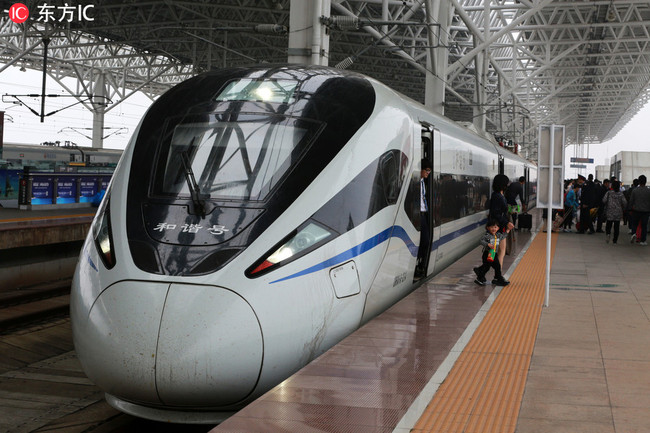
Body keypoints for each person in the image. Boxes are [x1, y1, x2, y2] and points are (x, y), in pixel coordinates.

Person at [473, 218, 511, 286]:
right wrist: (487, 244)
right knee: (487, 267)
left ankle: (496, 278)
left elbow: (503, 236)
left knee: (497, 266)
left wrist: (508, 230)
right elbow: (481, 241)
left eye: (495, 227)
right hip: (487, 254)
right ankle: (480, 278)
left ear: (498, 228)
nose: (494, 229)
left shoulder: (498, 235)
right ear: (488, 228)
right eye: (492, 227)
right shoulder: (487, 236)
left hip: (494, 254)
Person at [488, 174, 514, 267]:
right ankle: (496, 275)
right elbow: (496, 213)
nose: (507, 185)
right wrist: (507, 222)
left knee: (496, 251)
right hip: (498, 227)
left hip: (498, 226)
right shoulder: (498, 196)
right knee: (499, 251)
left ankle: (493, 274)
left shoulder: (498, 194)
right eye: (506, 183)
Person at [416, 158, 433, 276]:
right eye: (426, 170)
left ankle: (421, 263)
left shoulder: (422, 182)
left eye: (429, 171)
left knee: (426, 241)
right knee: (424, 240)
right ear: (420, 169)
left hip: (424, 213)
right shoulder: (416, 181)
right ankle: (418, 264)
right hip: (418, 215)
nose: (428, 173)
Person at [628, 174, 650, 245]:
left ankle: (634, 233)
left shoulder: (635, 190)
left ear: (639, 182)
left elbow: (631, 201)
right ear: (645, 182)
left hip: (636, 210)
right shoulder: (648, 191)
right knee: (644, 226)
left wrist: (630, 209)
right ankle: (643, 241)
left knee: (635, 224)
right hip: (646, 211)